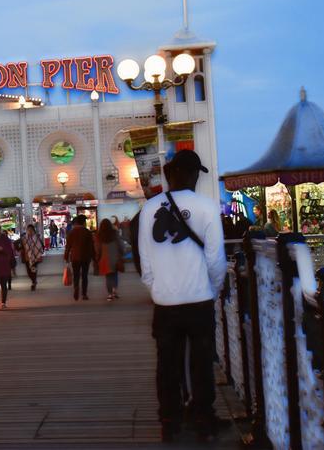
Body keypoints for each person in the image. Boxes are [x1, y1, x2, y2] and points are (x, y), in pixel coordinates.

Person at [138, 150, 226, 443]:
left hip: (164, 303)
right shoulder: (207, 207)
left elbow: (145, 263)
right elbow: (215, 260)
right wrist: (212, 290)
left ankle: (169, 421)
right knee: (201, 363)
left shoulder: (149, 208)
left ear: (170, 174)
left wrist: (157, 290)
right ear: (192, 175)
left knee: (167, 364)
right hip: (199, 299)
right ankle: (203, 419)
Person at [63, 214, 94, 300]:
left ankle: (76, 287)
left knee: (76, 275)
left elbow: (68, 246)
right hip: (85, 257)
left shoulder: (72, 232)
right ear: (83, 222)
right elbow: (91, 246)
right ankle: (84, 294)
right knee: (84, 276)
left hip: (75, 257)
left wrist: (66, 256)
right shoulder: (87, 232)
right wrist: (94, 257)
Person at [95, 218, 124, 301]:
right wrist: (122, 252)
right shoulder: (114, 233)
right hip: (115, 257)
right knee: (115, 274)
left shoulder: (99, 235)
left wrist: (97, 257)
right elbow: (120, 243)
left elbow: (98, 248)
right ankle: (115, 290)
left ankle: (110, 294)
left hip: (105, 258)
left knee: (108, 276)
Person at [20, 224, 45, 291]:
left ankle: (33, 283)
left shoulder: (36, 238)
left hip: (35, 258)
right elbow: (21, 247)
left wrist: (38, 253)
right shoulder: (24, 238)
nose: (30, 232)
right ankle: (34, 281)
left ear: (34, 231)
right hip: (27, 257)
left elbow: (41, 246)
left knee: (33, 271)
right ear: (27, 230)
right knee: (28, 272)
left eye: (31, 230)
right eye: (28, 230)